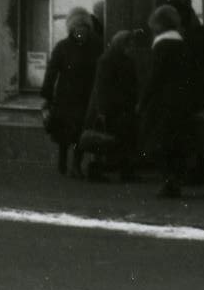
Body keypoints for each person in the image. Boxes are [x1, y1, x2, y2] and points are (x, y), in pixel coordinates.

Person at [138, 5, 197, 198]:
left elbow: (154, 78)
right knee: (177, 143)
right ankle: (175, 181)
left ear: (158, 26)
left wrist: (142, 101)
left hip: (162, 102)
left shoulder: (161, 47)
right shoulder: (183, 45)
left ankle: (168, 181)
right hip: (182, 101)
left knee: (158, 142)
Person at [40, 9, 102, 176]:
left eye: (84, 27)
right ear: (71, 29)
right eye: (77, 27)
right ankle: (62, 161)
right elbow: (51, 72)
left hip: (86, 97)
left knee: (80, 132)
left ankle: (76, 164)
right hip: (65, 97)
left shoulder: (95, 46)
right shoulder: (62, 47)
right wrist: (47, 95)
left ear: (88, 28)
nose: (81, 31)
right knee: (64, 133)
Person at [82, 26, 146, 181]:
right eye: (130, 44)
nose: (132, 48)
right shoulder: (108, 60)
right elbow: (101, 87)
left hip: (121, 107)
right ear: (122, 44)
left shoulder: (121, 59)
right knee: (105, 139)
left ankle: (123, 171)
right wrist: (102, 111)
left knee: (120, 139)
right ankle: (99, 172)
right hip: (111, 108)